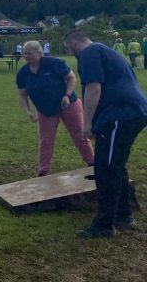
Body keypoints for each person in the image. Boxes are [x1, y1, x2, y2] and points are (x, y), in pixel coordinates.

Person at [64, 30, 147, 238]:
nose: (72, 53)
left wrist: (87, 123)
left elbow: (93, 88)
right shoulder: (105, 50)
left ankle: (104, 225)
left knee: (105, 168)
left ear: (73, 44)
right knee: (115, 164)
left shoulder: (89, 53)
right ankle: (123, 215)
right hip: (133, 112)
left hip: (119, 114)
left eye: (69, 49)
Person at [16, 41, 94, 177]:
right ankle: (43, 170)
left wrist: (67, 95)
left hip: (68, 104)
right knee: (45, 140)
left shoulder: (54, 63)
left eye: (30, 53)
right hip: (45, 110)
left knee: (79, 134)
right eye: (25, 53)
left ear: (39, 52)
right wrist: (28, 111)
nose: (27, 56)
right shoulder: (23, 73)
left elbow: (71, 78)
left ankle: (92, 163)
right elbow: (22, 95)